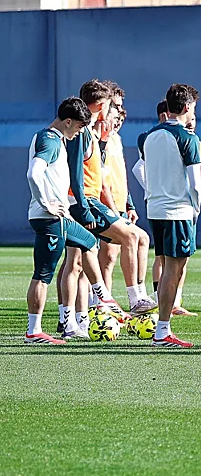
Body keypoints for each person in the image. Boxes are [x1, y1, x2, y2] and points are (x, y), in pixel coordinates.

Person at [25, 98, 107, 345]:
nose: (81, 132)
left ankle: (102, 296)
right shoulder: (50, 140)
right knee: (43, 274)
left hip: (59, 218)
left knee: (90, 242)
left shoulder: (54, 140)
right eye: (80, 127)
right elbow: (33, 172)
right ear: (68, 121)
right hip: (49, 219)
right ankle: (34, 330)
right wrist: (47, 204)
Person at [140, 83, 201, 348]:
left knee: (171, 266)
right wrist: (196, 205)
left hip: (155, 208)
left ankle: (162, 327)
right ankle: (162, 330)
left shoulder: (150, 136)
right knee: (174, 268)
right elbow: (194, 182)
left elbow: (144, 172)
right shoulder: (188, 138)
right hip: (177, 210)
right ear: (188, 106)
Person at [58, 79, 129, 338]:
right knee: (75, 262)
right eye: (110, 105)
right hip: (78, 203)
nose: (113, 111)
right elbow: (77, 175)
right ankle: (75, 318)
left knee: (77, 262)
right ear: (100, 104)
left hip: (79, 202)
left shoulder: (92, 133)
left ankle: (79, 319)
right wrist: (85, 208)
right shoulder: (81, 130)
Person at [97, 88, 154, 317]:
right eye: (116, 108)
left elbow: (120, 176)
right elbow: (100, 180)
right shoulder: (97, 138)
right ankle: (107, 302)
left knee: (119, 250)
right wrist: (113, 209)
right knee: (87, 260)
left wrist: (129, 204)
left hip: (117, 205)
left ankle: (129, 297)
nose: (120, 114)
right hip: (100, 204)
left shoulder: (116, 139)